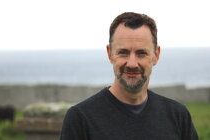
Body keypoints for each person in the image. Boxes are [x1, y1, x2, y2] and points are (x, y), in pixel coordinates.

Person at [60, 12, 198, 140]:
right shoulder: (80, 119)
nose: (132, 63)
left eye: (141, 53)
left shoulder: (178, 116)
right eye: (123, 52)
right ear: (109, 53)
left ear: (156, 55)